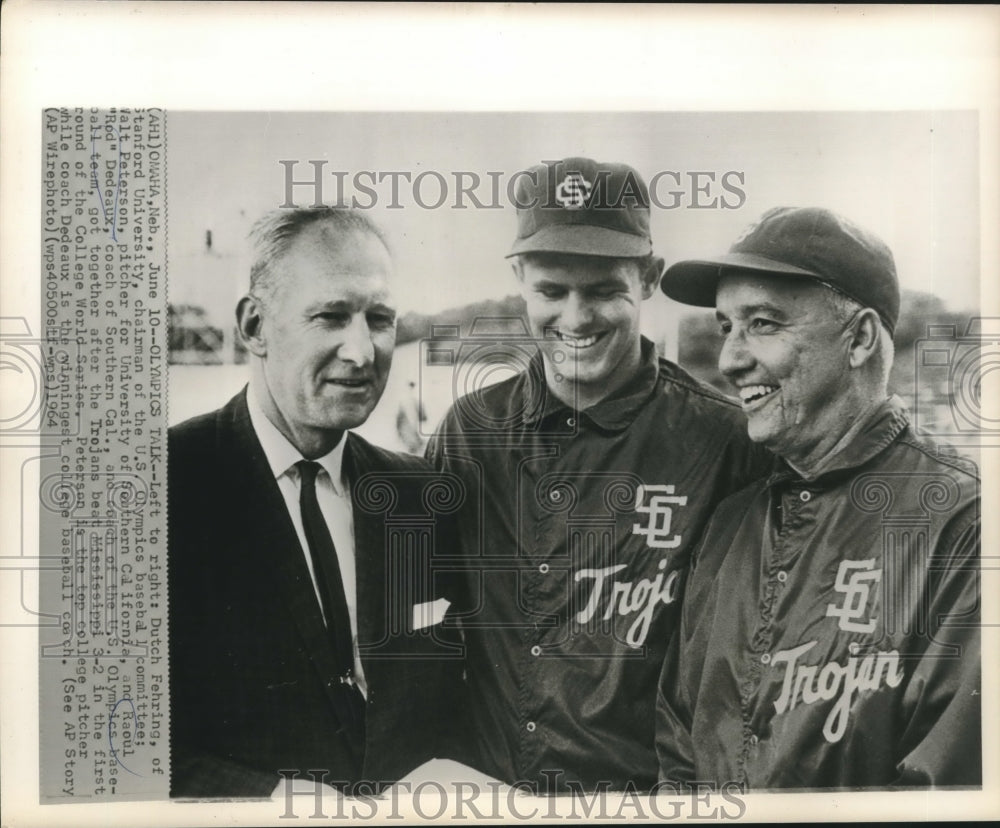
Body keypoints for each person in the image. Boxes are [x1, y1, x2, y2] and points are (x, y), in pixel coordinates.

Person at [425, 157, 771, 792]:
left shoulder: (726, 441)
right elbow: (421, 612)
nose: (577, 319)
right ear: (518, 281)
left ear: (648, 280)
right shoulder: (471, 429)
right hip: (489, 794)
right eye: (552, 291)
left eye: (605, 290)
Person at [656, 206, 981, 789]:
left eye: (763, 323)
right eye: (727, 326)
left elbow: (944, 791)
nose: (730, 358)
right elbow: (680, 742)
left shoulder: (962, 522)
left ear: (857, 338)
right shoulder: (731, 522)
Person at [168, 207, 465, 798]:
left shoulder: (420, 497)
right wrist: (275, 799)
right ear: (255, 326)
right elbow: (106, 747)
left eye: (379, 319)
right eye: (331, 316)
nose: (361, 351)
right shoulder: (159, 489)